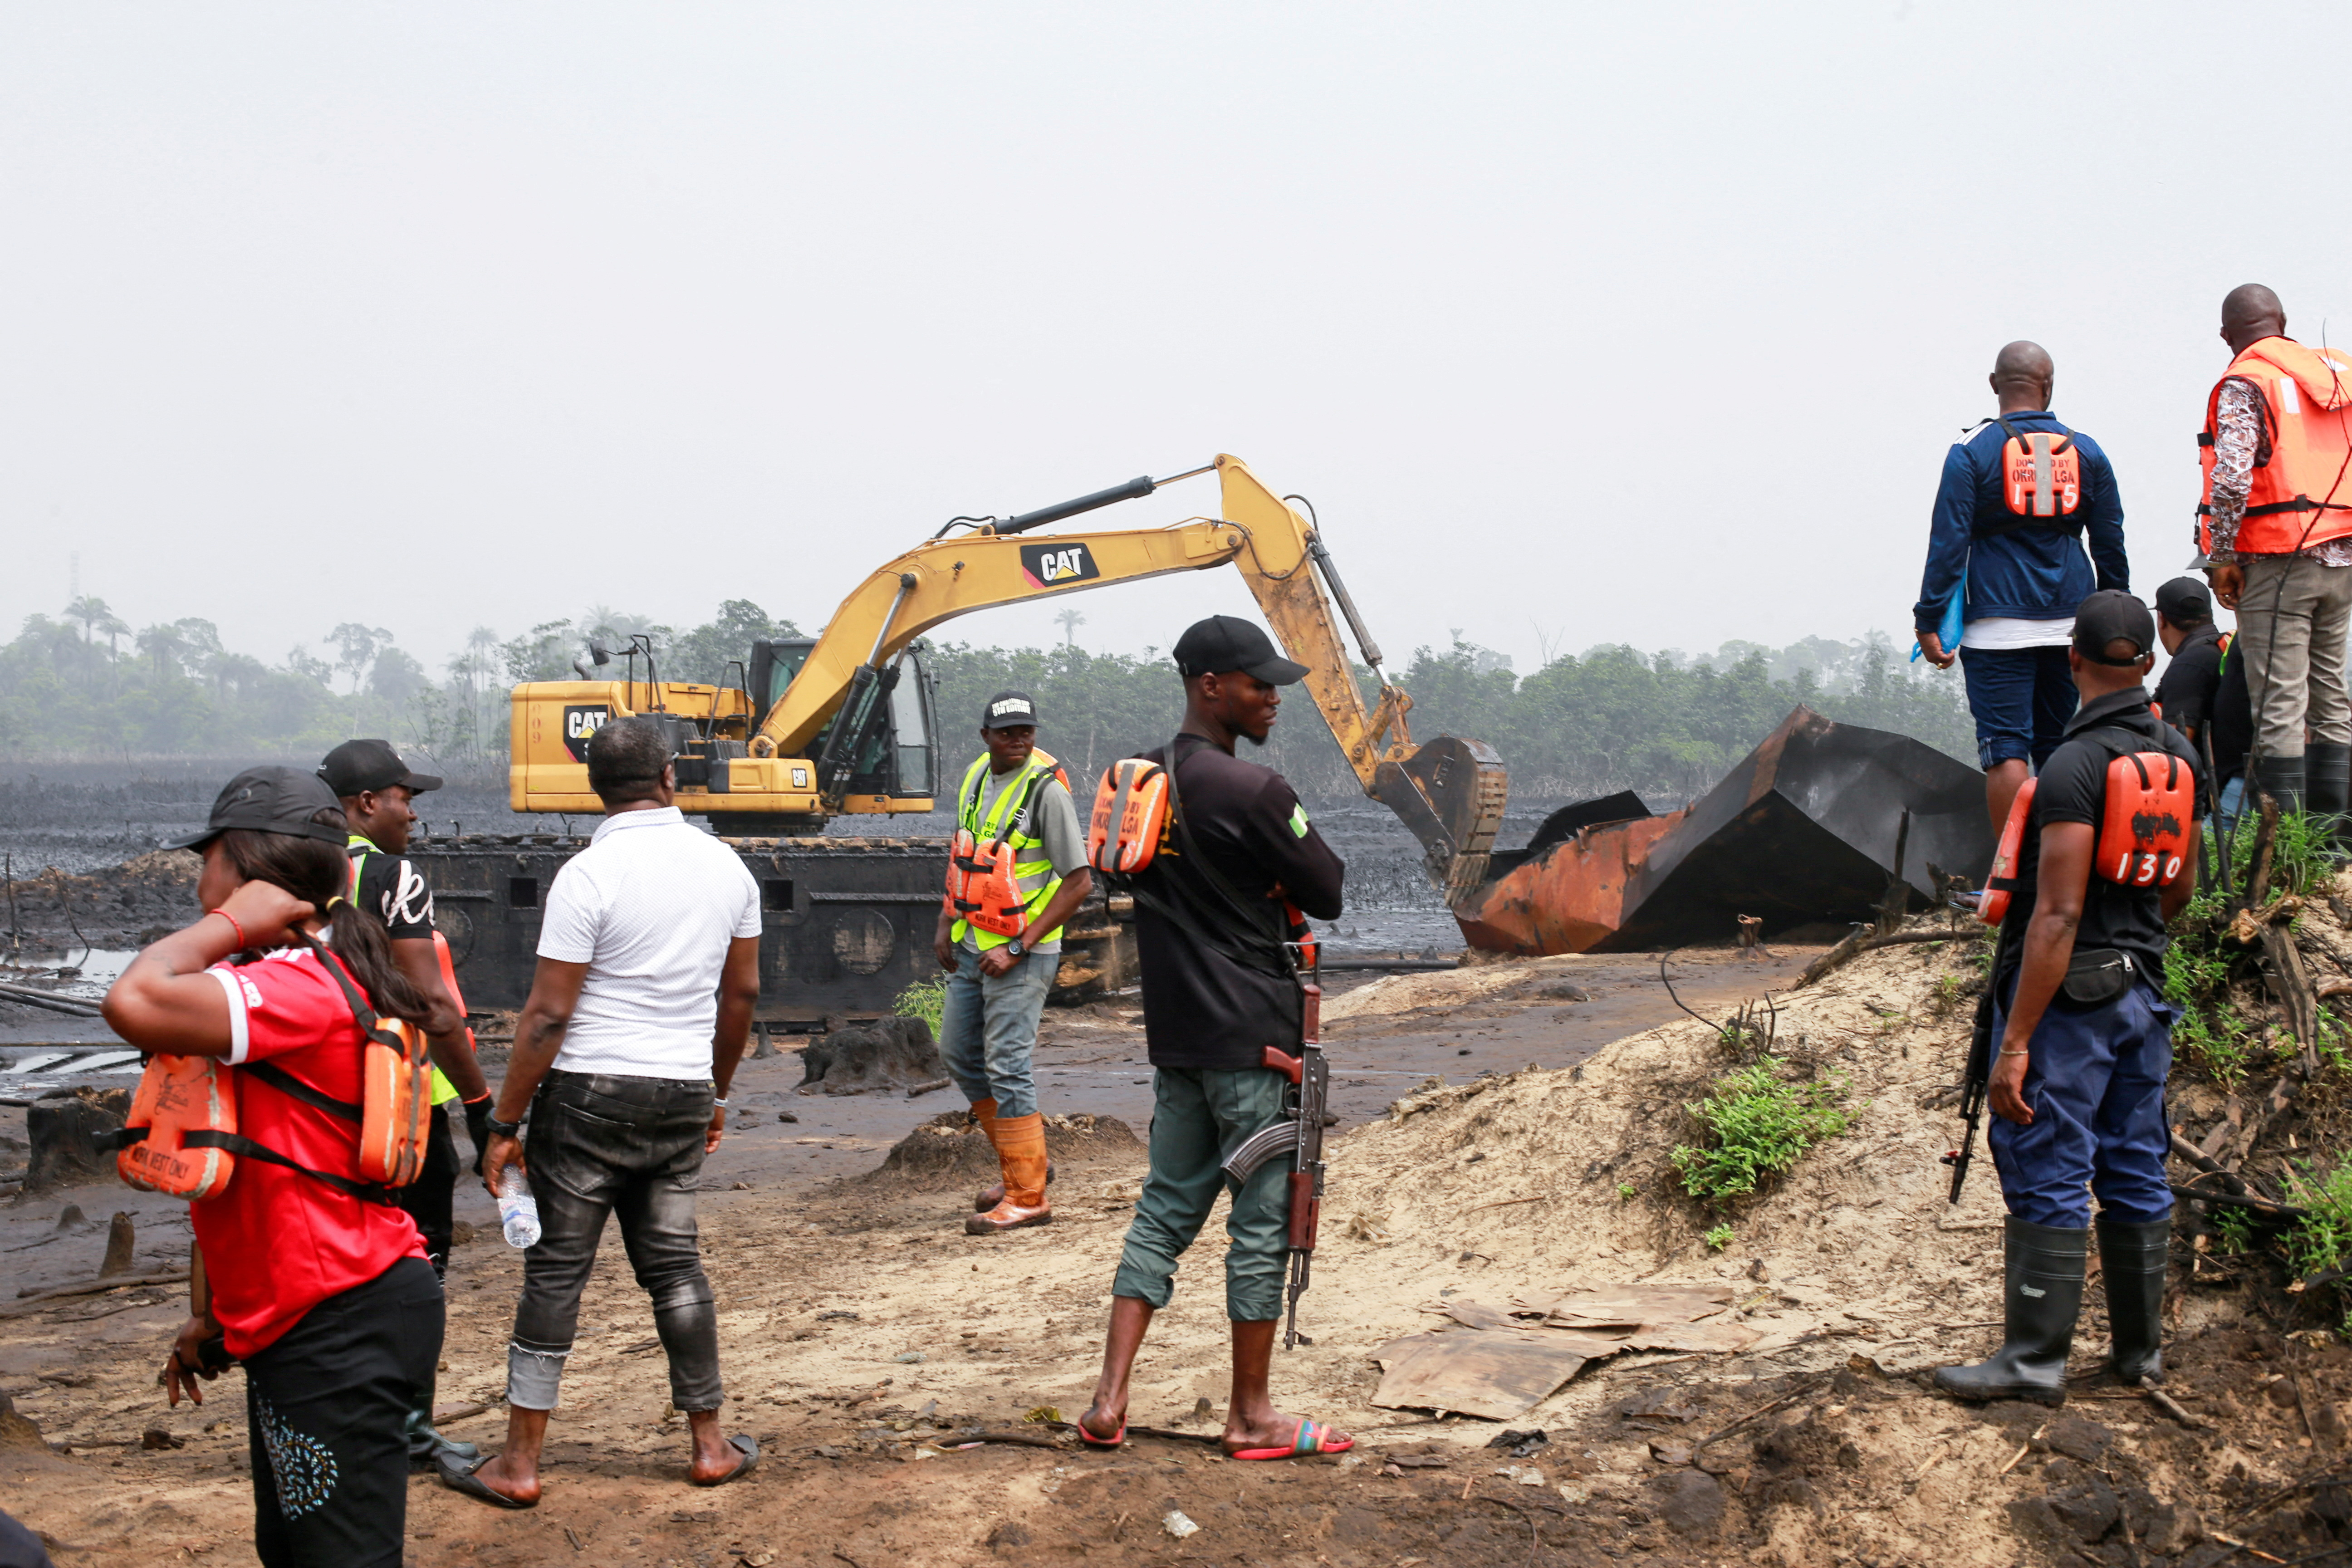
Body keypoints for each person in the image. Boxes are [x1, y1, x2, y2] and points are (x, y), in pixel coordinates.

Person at [102, 767, 444, 1567]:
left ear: (245, 868)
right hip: (309, 1309)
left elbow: (132, 998)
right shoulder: (297, 980)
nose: (199, 881)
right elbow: (260, 1161)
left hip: (339, 1314)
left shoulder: (289, 988)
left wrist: (228, 921)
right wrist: (215, 1319)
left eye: (209, 861)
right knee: (292, 1549)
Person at [443, 716, 763, 1509]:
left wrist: (504, 1125)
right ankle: (709, 1443)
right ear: (667, 780)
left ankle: (519, 1463)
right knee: (675, 1265)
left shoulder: (587, 875)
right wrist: (715, 1094)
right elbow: (742, 996)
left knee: (556, 1272)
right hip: (682, 1091)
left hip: (589, 1094)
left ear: (596, 790)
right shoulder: (728, 869)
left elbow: (548, 1016)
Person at [1077, 615, 1351, 1460]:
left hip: (1178, 1044)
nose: (1273, 697)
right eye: (1256, 682)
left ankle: (1108, 1399)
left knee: (1161, 1213)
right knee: (1261, 1226)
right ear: (1209, 687)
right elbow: (1330, 887)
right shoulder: (1256, 793)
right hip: (1255, 1047)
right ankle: (1251, 1417)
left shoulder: (1139, 785)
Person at [1936, 593, 2200, 1406]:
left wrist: (2013, 1043)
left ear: (2070, 661)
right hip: (2143, 993)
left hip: (2071, 1000)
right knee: (2131, 1160)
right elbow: (2179, 889)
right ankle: (2138, 1355)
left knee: (2047, 1159)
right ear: (2146, 663)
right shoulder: (2176, 760)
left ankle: (2033, 1359)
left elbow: (2053, 912)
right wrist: (2131, 946)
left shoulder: (2072, 768)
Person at [318, 738, 492, 1466]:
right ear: (366, 805)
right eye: (405, 798)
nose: (413, 814)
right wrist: (486, 1109)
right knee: (419, 1258)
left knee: (339, 1256)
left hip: (322, 1095)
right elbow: (430, 1004)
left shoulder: (298, 873)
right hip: (401, 1098)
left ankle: (342, 1415)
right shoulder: (393, 879)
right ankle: (411, 1429)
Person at [1915, 341, 2130, 835]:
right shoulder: (2088, 451)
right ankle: (2063, 870)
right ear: (2049, 386)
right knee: (2058, 745)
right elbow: (2110, 544)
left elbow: (1947, 545)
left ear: (1994, 385)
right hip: (2073, 625)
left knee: (2005, 747)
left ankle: (2011, 877)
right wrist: (2113, 620)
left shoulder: (1970, 452)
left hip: (1994, 625)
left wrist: (1929, 619)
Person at [931, 691, 1095, 1234]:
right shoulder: (978, 777)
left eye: (1026, 731)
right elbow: (965, 855)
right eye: (1007, 733)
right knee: (959, 1053)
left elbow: (1079, 883)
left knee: (1007, 1065)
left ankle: (1028, 1196)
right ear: (986, 737)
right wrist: (944, 924)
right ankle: (1018, 1169)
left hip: (1022, 952)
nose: (1019, 740)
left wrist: (1019, 947)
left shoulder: (1047, 792)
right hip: (973, 942)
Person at [2198, 284, 2352, 824]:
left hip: (2280, 561)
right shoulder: (2331, 376)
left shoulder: (2247, 380)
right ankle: (2335, 843)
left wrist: (2221, 556)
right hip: (2342, 558)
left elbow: (2233, 478)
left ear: (2227, 337)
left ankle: (2286, 850)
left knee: (2281, 707)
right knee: (2333, 699)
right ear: (2283, 323)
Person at [2151, 576, 2251, 820]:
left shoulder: (2188, 665)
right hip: (2251, 781)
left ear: (2161, 619)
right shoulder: (2225, 647)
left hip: (2223, 797)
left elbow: (2177, 743)